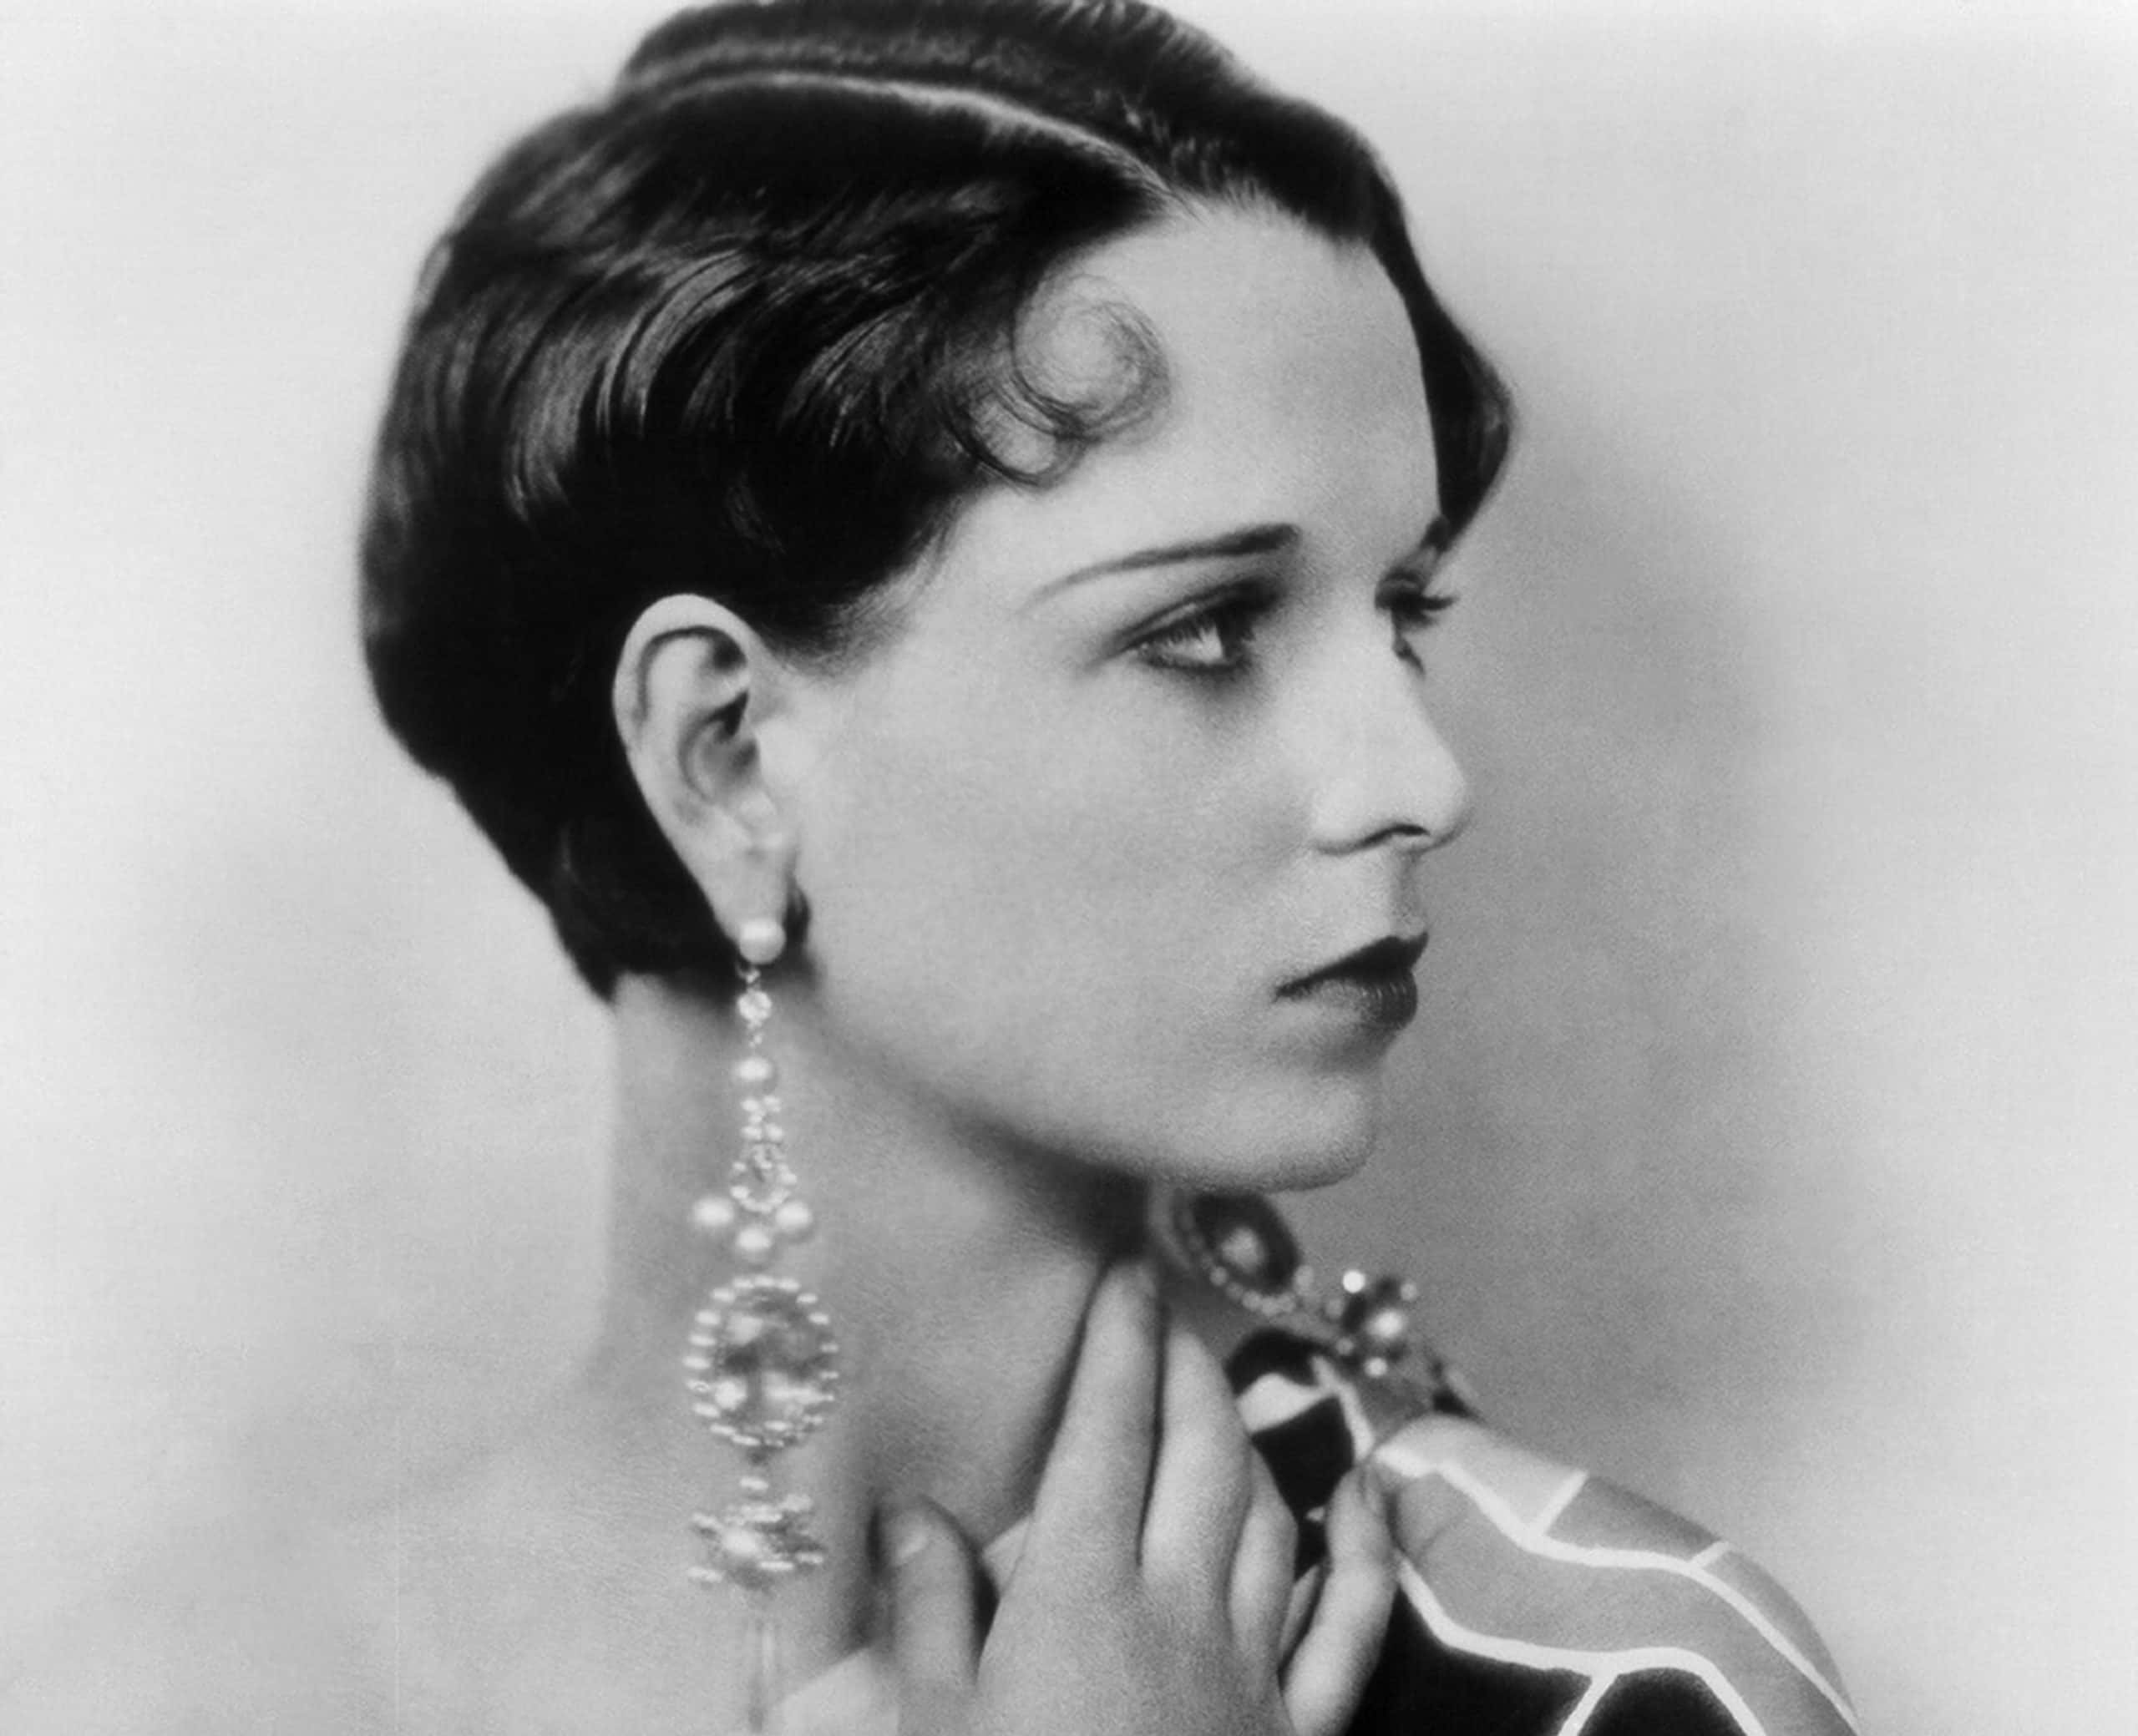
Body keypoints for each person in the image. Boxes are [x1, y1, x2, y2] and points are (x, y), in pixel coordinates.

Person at [3, 1, 1857, 1730]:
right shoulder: (177, 1681)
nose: (1419, 778)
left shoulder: (1609, 1676)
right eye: (1207, 626)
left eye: (1400, 614)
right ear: (723, 751)